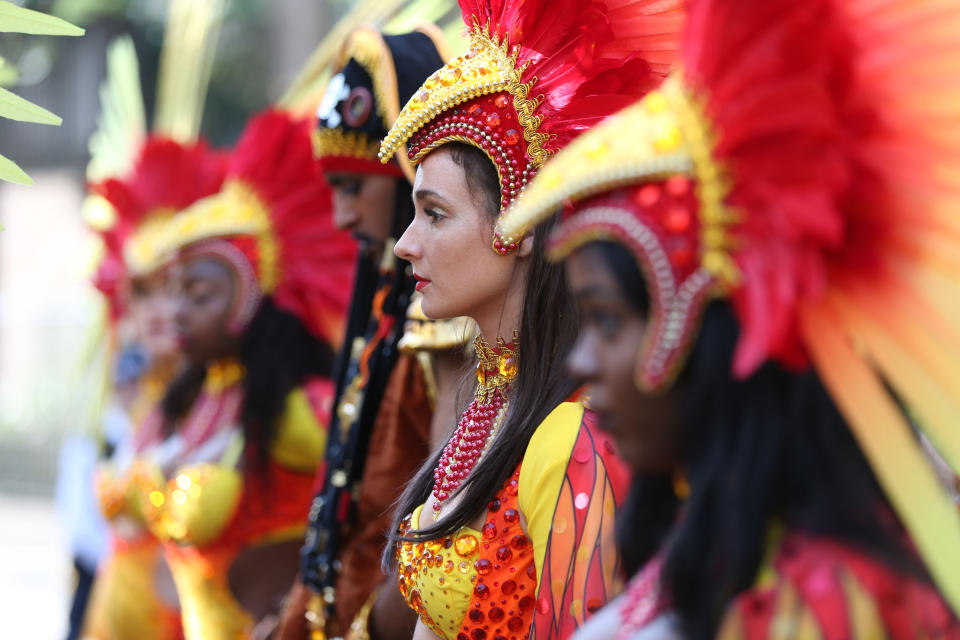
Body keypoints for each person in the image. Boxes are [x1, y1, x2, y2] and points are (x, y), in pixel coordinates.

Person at [498, 0, 960, 636]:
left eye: (606, 321)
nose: (580, 360)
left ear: (703, 327)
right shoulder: (710, 553)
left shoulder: (829, 610)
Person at [376, 0, 684, 637]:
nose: (403, 244)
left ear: (516, 224)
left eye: (434, 215)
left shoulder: (578, 432)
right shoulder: (494, 400)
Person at [276, 25, 475, 640]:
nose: (341, 216)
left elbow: (436, 535)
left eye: (354, 188)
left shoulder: (450, 325)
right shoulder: (392, 309)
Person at [141, 108, 355, 640]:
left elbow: (371, 519)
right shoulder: (200, 397)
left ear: (246, 299)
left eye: (199, 295)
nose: (177, 313)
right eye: (174, 294)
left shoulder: (301, 410)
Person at [81, 133, 227, 640]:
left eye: (180, 286)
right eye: (143, 292)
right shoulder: (150, 396)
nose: (163, 310)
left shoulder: (221, 398)